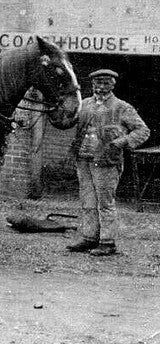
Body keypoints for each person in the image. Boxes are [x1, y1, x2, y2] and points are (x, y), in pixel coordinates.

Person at [63, 69, 150, 256]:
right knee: (87, 201)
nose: (101, 87)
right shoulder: (84, 104)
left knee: (105, 203)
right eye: (97, 83)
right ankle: (88, 237)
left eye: (105, 83)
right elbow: (68, 120)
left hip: (106, 162)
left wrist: (120, 142)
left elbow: (143, 131)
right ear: (92, 84)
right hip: (84, 159)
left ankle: (107, 242)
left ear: (112, 85)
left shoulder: (122, 107)